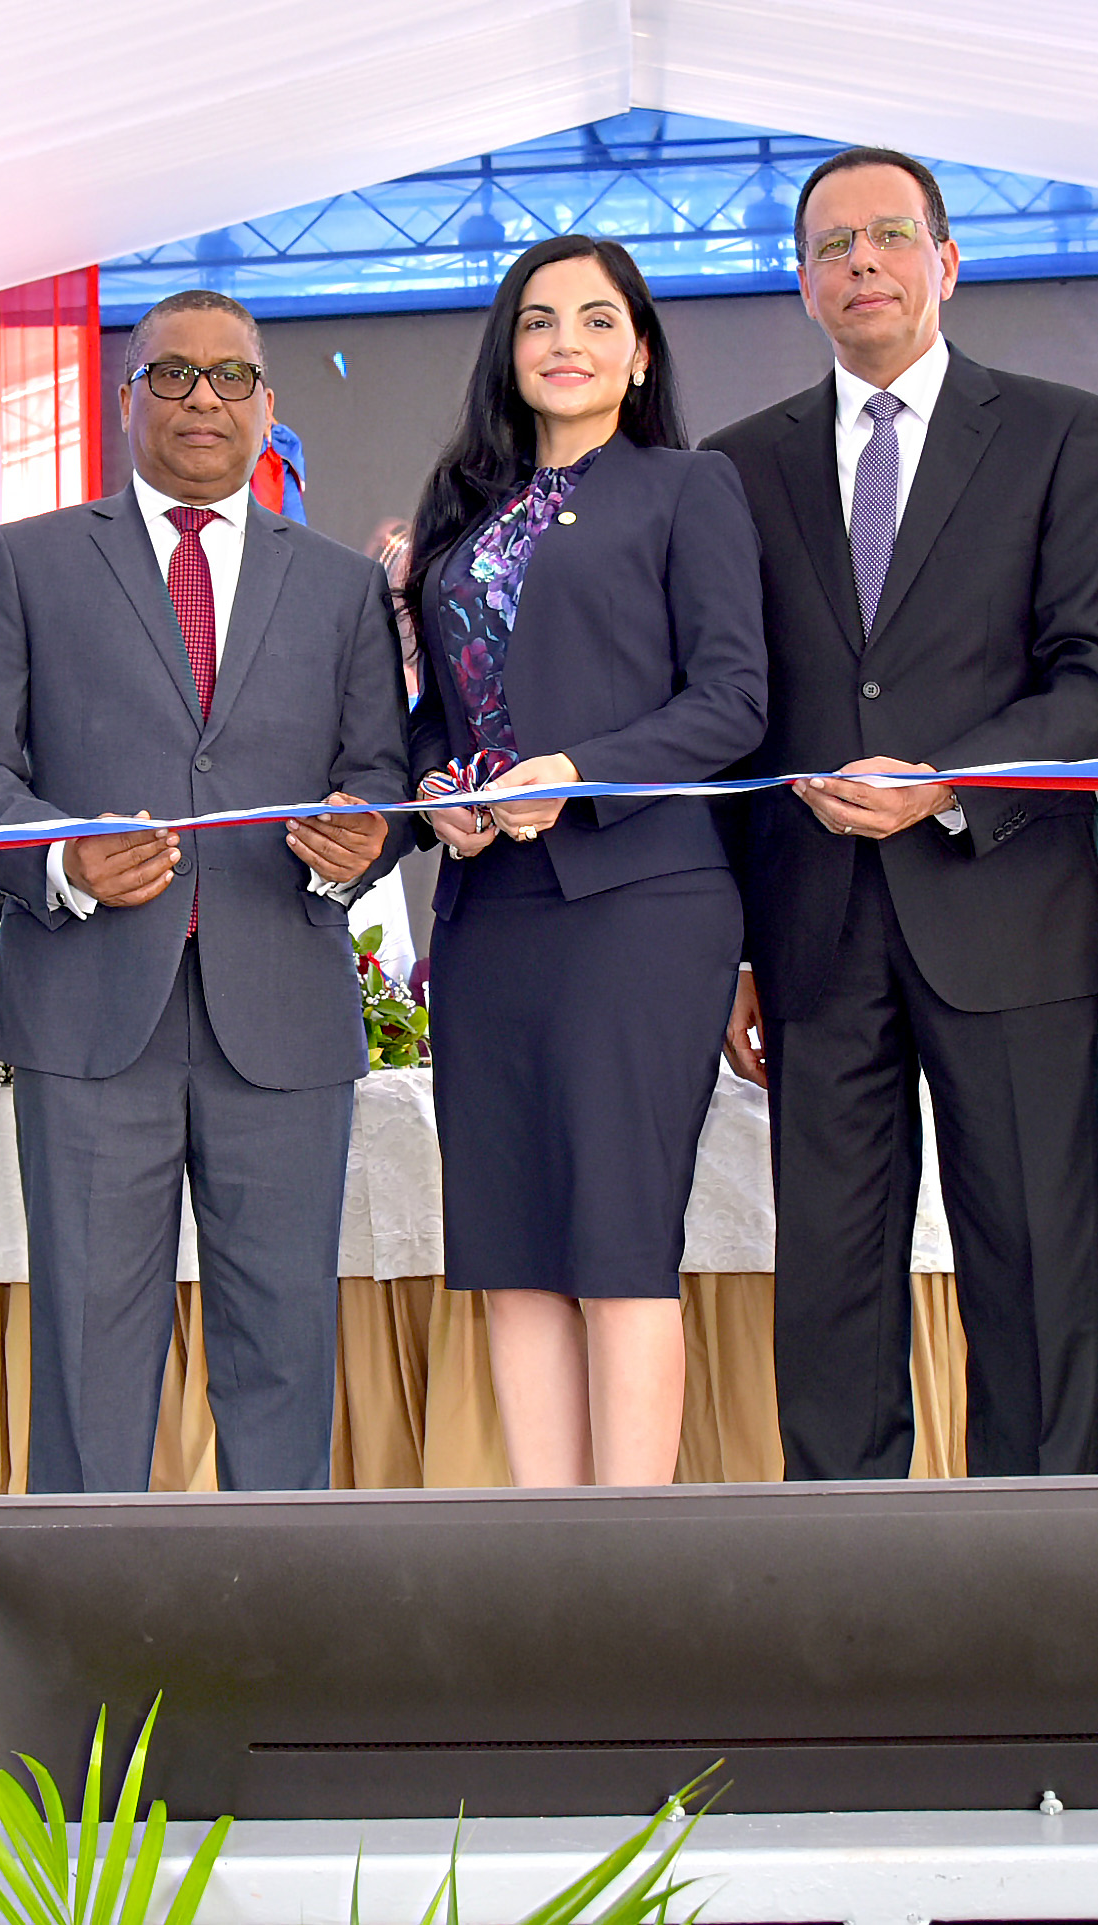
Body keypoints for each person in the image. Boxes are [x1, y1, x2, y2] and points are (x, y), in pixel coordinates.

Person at [703, 148, 1098, 1482]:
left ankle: (1043, 1573)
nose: (861, 263)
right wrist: (735, 948)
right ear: (800, 284)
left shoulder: (1060, 431)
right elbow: (733, 713)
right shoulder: (735, 466)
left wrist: (949, 778)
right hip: (812, 931)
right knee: (828, 1290)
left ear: (945, 262)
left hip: (1009, 908)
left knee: (1035, 1274)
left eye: (889, 236)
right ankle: (847, 1584)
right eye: (830, 246)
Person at [0, 288, 408, 1495]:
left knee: (283, 1356)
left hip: (282, 1014)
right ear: (123, 396)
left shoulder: (340, 585)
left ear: (267, 405)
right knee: (88, 1364)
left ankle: (272, 1610)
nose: (203, 397)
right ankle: (91, 1616)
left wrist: (362, 838)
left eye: (231, 376)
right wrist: (61, 855)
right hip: (90, 1012)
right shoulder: (27, 561)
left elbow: (379, 779)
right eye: (173, 373)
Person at [402, 235, 768, 1488]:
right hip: (487, 911)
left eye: (598, 319)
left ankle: (629, 1561)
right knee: (510, 1250)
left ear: (640, 352)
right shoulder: (461, 510)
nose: (567, 342)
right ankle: (546, 1558)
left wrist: (579, 769)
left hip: (639, 902)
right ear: (507, 351)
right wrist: (435, 794)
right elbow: (437, 715)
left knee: (616, 1240)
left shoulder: (688, 487)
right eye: (540, 319)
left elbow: (732, 699)